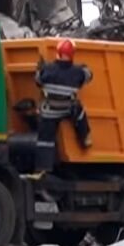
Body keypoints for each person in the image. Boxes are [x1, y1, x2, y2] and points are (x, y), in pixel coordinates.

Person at [33, 39, 93, 172]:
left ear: (58, 53)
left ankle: (43, 168)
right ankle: (85, 138)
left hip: (49, 110)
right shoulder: (77, 72)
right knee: (80, 112)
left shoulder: (47, 69)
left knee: (45, 139)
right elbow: (89, 76)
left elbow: (37, 81)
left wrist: (40, 68)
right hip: (68, 109)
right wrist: (84, 67)